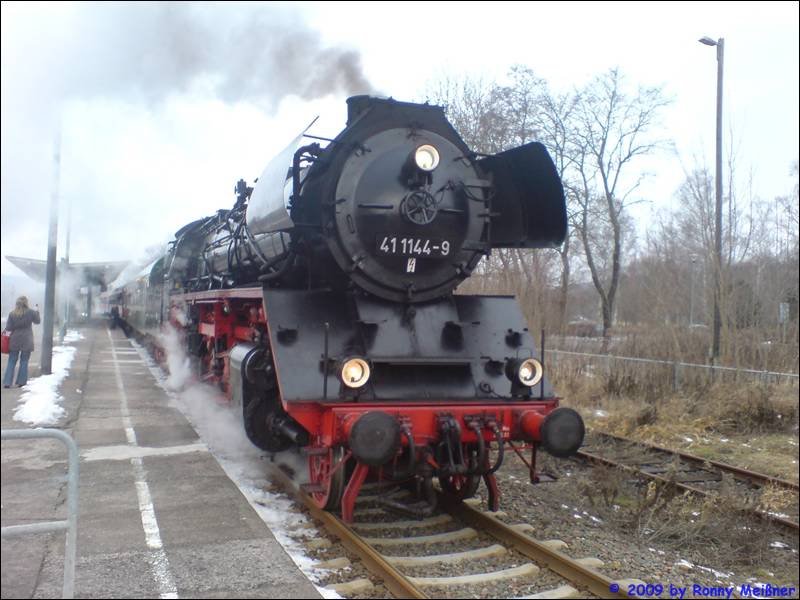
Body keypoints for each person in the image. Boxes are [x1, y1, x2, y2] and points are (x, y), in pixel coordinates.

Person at [3, 296, 41, 388]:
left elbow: (8, 328)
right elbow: (37, 321)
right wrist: (37, 312)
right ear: (26, 303)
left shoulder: (12, 314)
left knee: (11, 361)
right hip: (27, 339)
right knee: (24, 361)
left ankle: (7, 382)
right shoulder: (31, 312)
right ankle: (21, 382)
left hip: (14, 339)